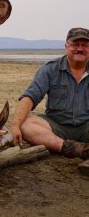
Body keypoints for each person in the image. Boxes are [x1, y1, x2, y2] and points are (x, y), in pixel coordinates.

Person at [10, 27, 89, 175]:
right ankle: (76, 149)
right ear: (66, 46)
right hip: (55, 126)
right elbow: (29, 97)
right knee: (25, 123)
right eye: (75, 44)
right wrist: (14, 125)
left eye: (84, 45)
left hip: (86, 126)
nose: (80, 49)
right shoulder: (50, 69)